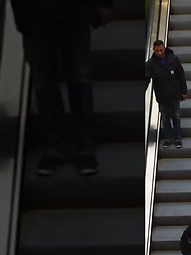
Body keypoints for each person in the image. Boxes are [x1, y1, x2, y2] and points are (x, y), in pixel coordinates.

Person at [10, 0, 114, 177]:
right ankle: (63, 147)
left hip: (70, 15)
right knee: (48, 84)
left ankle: (78, 147)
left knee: (76, 80)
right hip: (38, 18)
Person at [145, 40, 188, 149]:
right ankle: (168, 138)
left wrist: (184, 91)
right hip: (161, 96)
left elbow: (181, 76)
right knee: (165, 118)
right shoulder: (150, 64)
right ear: (154, 50)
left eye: (161, 50)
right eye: (157, 51)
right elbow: (146, 79)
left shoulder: (174, 60)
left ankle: (178, 138)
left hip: (174, 94)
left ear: (164, 49)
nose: (159, 53)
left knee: (176, 116)